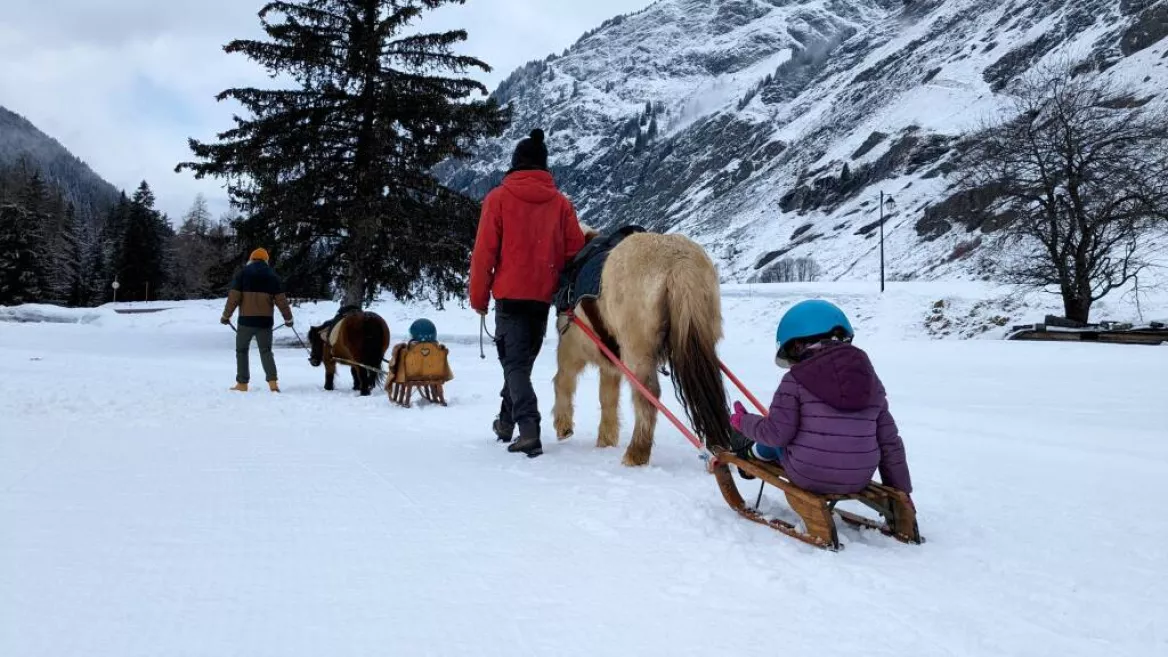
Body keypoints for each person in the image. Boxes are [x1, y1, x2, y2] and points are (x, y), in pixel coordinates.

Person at [469, 128, 586, 458]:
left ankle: (528, 429)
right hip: (541, 298)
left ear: (516, 164)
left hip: (509, 296)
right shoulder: (561, 204)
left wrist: (479, 298)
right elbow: (574, 251)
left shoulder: (498, 199)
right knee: (519, 362)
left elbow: (484, 253)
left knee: (514, 364)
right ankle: (506, 423)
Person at [725, 299, 913, 499]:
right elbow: (889, 443)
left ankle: (752, 454)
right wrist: (900, 493)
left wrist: (743, 421)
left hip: (807, 474)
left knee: (779, 436)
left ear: (797, 345)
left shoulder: (794, 380)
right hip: (859, 478)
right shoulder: (871, 381)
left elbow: (777, 434)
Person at [221, 248, 294, 392]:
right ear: (266, 260)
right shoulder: (272, 276)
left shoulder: (242, 274)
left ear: (251, 259)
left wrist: (226, 316)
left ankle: (242, 384)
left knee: (242, 351)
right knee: (266, 351)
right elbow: (282, 301)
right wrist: (288, 319)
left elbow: (233, 298)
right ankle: (273, 384)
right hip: (264, 323)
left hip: (245, 322)